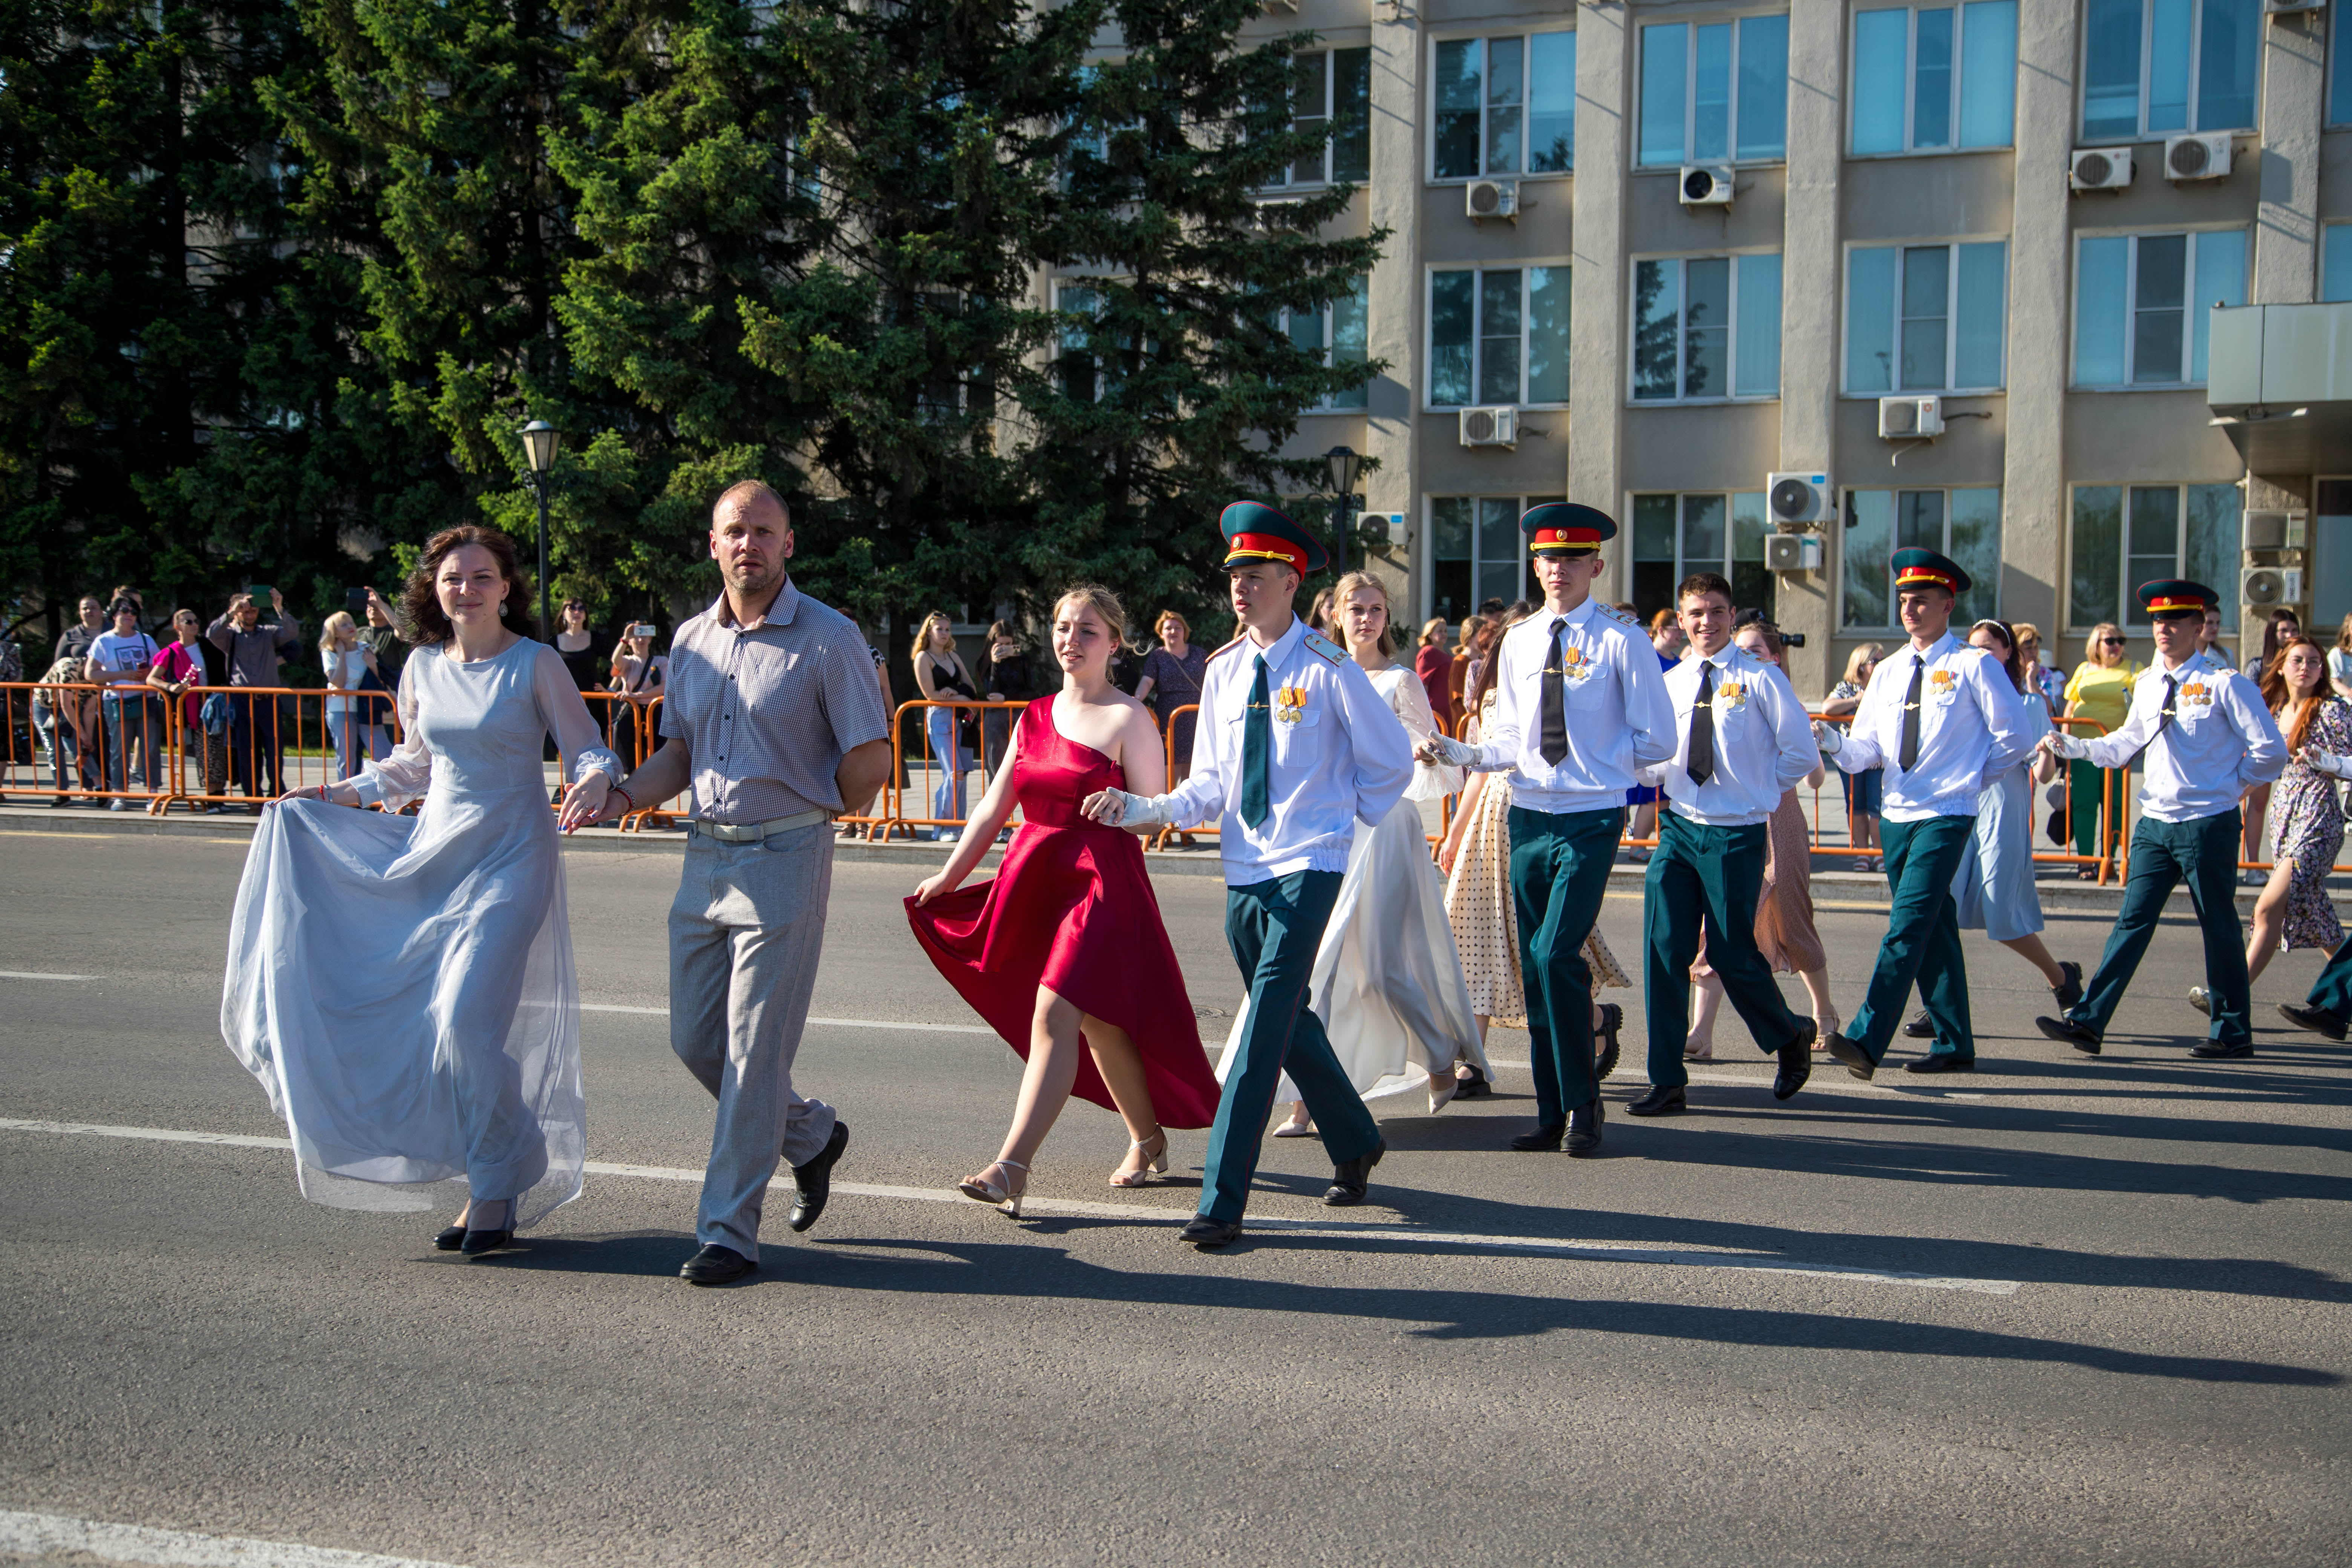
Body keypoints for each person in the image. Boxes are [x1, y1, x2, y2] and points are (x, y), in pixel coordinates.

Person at [221, 525, 622, 1256]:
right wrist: (340, 791)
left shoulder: (534, 665)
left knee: (465, 1026)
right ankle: (498, 1162)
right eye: (452, 578)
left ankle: (499, 1179)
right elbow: (413, 764)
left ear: (506, 586)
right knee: (437, 1035)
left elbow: (588, 743)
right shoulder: (422, 666)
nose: (465, 588)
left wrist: (595, 775)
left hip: (514, 859)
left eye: (481, 576)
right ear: (433, 590)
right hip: (437, 855)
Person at [582, 481, 892, 1283]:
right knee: (696, 1039)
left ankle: (728, 1232)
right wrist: (622, 794)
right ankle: (812, 1135)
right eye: (734, 531)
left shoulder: (830, 638)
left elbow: (871, 757)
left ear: (789, 544)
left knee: (755, 1050)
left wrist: (817, 808)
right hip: (704, 857)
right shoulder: (689, 642)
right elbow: (679, 756)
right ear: (713, 544)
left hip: (787, 856)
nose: (748, 543)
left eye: (764, 530)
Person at [1081, 501, 1413, 1250]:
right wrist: (1141, 805)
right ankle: (1356, 1138)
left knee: (1262, 1029)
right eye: (1233, 574)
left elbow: (1391, 760)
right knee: (1292, 1018)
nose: (1239, 587)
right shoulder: (1225, 671)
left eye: (1255, 575)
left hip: (1310, 866)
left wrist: (1338, 819)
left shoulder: (1327, 668)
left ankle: (1222, 1199)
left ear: (1292, 582)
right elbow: (1209, 787)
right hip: (1246, 870)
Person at [908, 586, 1220, 1214]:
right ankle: (1148, 1136)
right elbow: (995, 808)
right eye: (1062, 627)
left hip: (1101, 883)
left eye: (1088, 631)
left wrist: (1126, 808)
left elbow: (1152, 816)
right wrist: (947, 877)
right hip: (1037, 875)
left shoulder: (1132, 717)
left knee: (1054, 1016)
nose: (1071, 640)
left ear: (1115, 644)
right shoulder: (1035, 713)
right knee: (1103, 1027)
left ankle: (1011, 1166)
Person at [1420, 505, 1676, 1153]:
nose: (1558, 570)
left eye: (1572, 559)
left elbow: (1661, 739)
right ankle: (1552, 1108)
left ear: (1596, 565)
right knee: (1538, 972)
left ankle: (1585, 1105)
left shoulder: (1623, 641)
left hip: (1590, 818)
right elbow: (1508, 736)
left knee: (1552, 952)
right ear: (1535, 565)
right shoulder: (1522, 640)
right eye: (1547, 559)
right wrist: (1465, 754)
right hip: (1528, 815)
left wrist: (1602, 764)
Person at [1244, 571, 1488, 1133]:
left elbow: (1433, 757)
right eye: (1356, 608)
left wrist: (1426, 752)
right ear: (1335, 613)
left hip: (1386, 828)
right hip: (1331, 831)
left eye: (1377, 609)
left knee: (1381, 969)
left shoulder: (1400, 680)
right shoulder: (1315, 672)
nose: (1366, 618)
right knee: (1319, 967)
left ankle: (1438, 1054)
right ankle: (1309, 1102)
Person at [2036, 581, 2286, 1061]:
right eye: (2156, 621)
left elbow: (2271, 752)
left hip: (2207, 822)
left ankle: (2233, 1031)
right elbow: (2128, 741)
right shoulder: (2150, 682)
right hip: (2155, 820)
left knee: (2218, 927)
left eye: (2175, 621)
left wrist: (2231, 787)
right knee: (2131, 922)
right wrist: (2079, 748)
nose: (2164, 629)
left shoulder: (2225, 683)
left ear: (2200, 628)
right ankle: (2089, 1021)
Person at [1812, 548, 2033, 1077]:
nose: (1911, 610)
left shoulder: (1973, 664)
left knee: (1907, 926)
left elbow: (2016, 738)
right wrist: (1832, 742)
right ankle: (1956, 1042)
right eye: (1905, 601)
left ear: (1947, 605)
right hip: (1898, 814)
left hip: (1945, 814)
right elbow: (1868, 749)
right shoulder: (1887, 671)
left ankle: (1867, 1040)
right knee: (1934, 930)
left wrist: (1969, 780)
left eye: (1923, 602)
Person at [1625, 579, 1819, 1116]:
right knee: (1665, 951)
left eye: (1715, 612)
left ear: (1732, 616)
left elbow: (1800, 753)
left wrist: (1755, 792)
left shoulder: (1760, 678)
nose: (1705, 622)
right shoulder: (1673, 682)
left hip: (1736, 832)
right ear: (1681, 620)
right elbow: (1658, 755)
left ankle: (1788, 1035)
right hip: (1681, 828)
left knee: (1733, 952)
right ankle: (1666, 1079)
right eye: (1695, 614)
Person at [1437, 605, 1632, 1101]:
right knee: (1473, 936)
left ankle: (1594, 1018)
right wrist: (1457, 830)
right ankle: (1474, 1060)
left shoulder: (1558, 684)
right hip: (1490, 819)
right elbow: (1480, 769)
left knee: (1543, 945)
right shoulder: (1492, 689)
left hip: (1534, 814)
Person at [1897, 618, 2082, 1044]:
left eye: (1989, 647)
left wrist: (2046, 754)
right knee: (1941, 907)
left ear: (2007, 654)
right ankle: (1940, 1004)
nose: (1979, 655)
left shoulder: (2028, 703)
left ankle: (2062, 979)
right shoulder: (1957, 696)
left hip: (2003, 810)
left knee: (2002, 913)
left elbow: (2043, 772)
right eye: (1973, 647)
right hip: (1956, 810)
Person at [1684, 618, 1840, 1057]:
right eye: (1742, 649)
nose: (1746, 656)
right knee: (1717, 923)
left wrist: (1809, 742)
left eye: (1755, 650)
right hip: (1733, 822)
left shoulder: (1781, 699)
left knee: (1792, 916)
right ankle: (1702, 1032)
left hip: (1780, 822)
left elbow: (1815, 777)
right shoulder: (1722, 693)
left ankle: (1824, 1012)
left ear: (1774, 657)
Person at [2199, 634, 2347, 1013]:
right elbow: (2259, 767)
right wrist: (2225, 796)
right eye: (2298, 660)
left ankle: (2231, 994)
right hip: (2285, 815)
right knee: (2317, 918)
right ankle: (2342, 998)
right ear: (2281, 666)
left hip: (2318, 815)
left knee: (2268, 907)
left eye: (2314, 661)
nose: (2306, 667)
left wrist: (2328, 761)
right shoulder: (2274, 710)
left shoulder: (2332, 710)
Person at [209, 589, 302, 809]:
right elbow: (212, 633)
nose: (250, 614)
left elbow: (291, 632)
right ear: (237, 612)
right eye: (245, 610)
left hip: (268, 699)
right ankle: (253, 797)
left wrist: (279, 607)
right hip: (243, 701)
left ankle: (276, 794)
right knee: (248, 751)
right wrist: (231, 612)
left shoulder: (268, 633)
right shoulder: (230, 636)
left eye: (254, 610)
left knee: (274, 749)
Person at [2062, 622, 2139, 877]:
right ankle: (2085, 861)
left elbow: (2137, 707)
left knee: (2115, 805)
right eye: (2110, 641)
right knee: (2084, 804)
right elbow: (2071, 706)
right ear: (2096, 644)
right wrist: (2064, 744)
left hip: (2117, 750)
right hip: (2083, 749)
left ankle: (2109, 860)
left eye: (2121, 640)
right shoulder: (2084, 669)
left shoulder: (2132, 670)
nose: (2117, 646)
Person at [1623, 610, 1688, 859]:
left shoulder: (1678, 663)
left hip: (1671, 736)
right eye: (1675, 629)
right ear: (1660, 630)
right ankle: (1637, 846)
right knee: (1652, 796)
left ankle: (1646, 844)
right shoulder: (1647, 657)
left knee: (1664, 797)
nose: (1680, 634)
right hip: (1646, 736)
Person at [148, 609, 228, 808]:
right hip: (191, 709)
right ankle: (212, 798)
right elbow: (152, 678)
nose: (194, 625)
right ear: (178, 627)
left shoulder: (207, 647)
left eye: (196, 621)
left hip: (212, 706)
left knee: (216, 750)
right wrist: (171, 686)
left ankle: (219, 794)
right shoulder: (171, 652)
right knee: (204, 752)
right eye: (188, 622)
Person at [86, 598, 161, 807]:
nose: (129, 615)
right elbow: (91, 674)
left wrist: (148, 673)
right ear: (113, 615)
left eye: (134, 612)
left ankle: (152, 793)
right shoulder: (104, 641)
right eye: (124, 611)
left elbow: (159, 668)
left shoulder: (146, 640)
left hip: (146, 700)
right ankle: (119, 794)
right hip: (117, 702)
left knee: (151, 749)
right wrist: (125, 674)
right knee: (119, 751)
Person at [911, 611, 977, 841]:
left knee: (963, 774)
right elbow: (931, 695)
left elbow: (970, 686)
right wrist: (964, 699)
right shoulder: (923, 658)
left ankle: (957, 825)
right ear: (929, 630)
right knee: (954, 772)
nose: (945, 633)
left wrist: (956, 695)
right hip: (940, 719)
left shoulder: (953, 656)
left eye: (948, 629)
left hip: (960, 719)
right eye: (940, 629)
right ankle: (944, 826)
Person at [1821, 643, 1883, 871]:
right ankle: (1862, 855)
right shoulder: (1848, 687)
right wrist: (1857, 700)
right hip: (1851, 757)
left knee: (1877, 807)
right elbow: (1828, 707)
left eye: (1881, 660)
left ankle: (1879, 854)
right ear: (1861, 666)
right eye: (1875, 661)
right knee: (1856, 807)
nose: (1880, 665)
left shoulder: (1886, 685)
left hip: (1878, 758)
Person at [1135, 609, 1209, 784]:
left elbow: (1212, 682)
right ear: (1161, 633)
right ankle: (1170, 811)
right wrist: (1136, 699)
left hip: (1197, 718)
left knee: (1194, 775)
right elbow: (1147, 681)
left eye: (1178, 628)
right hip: (1169, 719)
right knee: (1169, 776)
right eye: (1169, 628)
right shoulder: (1157, 657)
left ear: (1185, 631)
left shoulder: (1200, 654)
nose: (1174, 631)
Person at [319, 611, 389, 779]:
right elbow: (339, 683)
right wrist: (342, 654)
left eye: (351, 622)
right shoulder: (329, 652)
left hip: (367, 708)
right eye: (344, 625)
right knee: (347, 757)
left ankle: (386, 797)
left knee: (384, 755)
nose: (351, 626)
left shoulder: (365, 648)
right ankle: (347, 801)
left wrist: (374, 667)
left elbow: (378, 680)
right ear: (334, 632)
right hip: (340, 710)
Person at [979, 619, 1042, 781]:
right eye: (1000, 645)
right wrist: (995, 664)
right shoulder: (985, 661)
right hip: (996, 716)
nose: (1004, 648)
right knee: (996, 764)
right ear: (992, 643)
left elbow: (1032, 691)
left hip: (1019, 713)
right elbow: (990, 693)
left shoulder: (1022, 659)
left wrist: (1007, 698)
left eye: (1008, 644)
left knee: (1023, 763)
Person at [32, 655, 95, 807]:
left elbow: (90, 711)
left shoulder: (96, 677)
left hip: (69, 708)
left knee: (79, 746)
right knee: (53, 750)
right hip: (45, 706)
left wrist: (88, 739)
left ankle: (98, 786)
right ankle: (62, 792)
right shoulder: (69, 668)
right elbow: (66, 704)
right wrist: (83, 734)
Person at [608, 623, 668, 768]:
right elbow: (616, 662)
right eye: (636, 636)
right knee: (631, 755)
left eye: (644, 635)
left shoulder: (661, 661)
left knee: (657, 755)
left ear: (650, 638)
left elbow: (664, 687)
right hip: (632, 712)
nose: (641, 640)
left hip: (655, 712)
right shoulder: (629, 662)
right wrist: (625, 639)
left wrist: (637, 695)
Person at [1413, 618, 1455, 736]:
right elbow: (1423, 684)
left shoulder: (1445, 653)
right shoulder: (1429, 652)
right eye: (1440, 631)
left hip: (1448, 708)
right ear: (1430, 635)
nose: (1444, 634)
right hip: (1435, 710)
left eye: (1446, 631)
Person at [2011, 622, 2063, 715]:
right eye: (2028, 649)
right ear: (2014, 651)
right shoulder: (2005, 672)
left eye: (2036, 648)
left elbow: (2047, 710)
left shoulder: (2044, 674)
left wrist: (2031, 680)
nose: (2034, 652)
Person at [1447, 614, 1485, 724]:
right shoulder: (1459, 663)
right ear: (1470, 638)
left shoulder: (1483, 661)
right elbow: (1460, 699)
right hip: (1464, 726)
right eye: (1482, 635)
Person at [2329, 615, 2352, 701]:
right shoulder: (2338, 654)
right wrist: (2349, 693)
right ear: (2348, 631)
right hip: (2347, 707)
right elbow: (2334, 682)